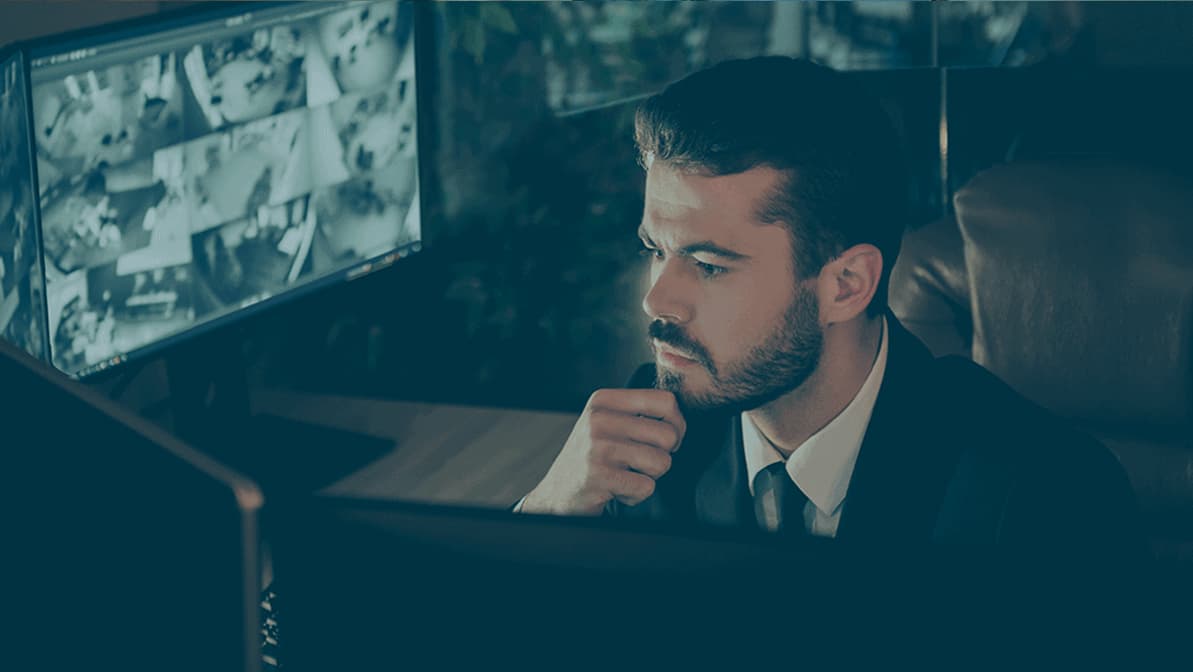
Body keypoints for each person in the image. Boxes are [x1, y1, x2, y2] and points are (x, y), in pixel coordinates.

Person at [517, 56, 1145, 558]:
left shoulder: (1047, 497)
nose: (658, 298)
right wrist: (549, 511)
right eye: (657, 250)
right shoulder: (645, 444)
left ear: (846, 284)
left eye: (709, 266)